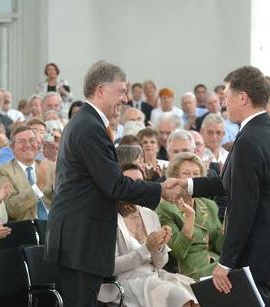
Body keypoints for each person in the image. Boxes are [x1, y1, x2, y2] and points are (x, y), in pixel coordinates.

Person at [45, 61, 181, 307]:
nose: (126, 98)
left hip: (81, 239)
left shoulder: (86, 123)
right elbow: (115, 185)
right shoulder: (89, 127)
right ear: (101, 90)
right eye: (121, 91)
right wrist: (159, 188)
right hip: (81, 241)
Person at [174, 66, 270, 305]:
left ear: (243, 98)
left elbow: (244, 206)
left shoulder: (248, 140)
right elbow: (231, 183)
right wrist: (187, 186)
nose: (224, 104)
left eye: (227, 97)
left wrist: (225, 263)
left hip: (254, 252)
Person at [98, 163, 198, 307]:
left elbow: (160, 263)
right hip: (124, 281)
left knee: (195, 291)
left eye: (140, 182)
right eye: (129, 181)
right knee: (178, 297)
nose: (135, 186)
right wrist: (146, 249)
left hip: (154, 275)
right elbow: (110, 267)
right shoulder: (107, 218)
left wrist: (160, 246)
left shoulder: (149, 214)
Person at [156, 153, 224, 280]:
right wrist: (190, 218)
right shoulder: (165, 208)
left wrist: (226, 229)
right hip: (190, 271)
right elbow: (178, 252)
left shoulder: (209, 205)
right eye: (186, 173)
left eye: (196, 174)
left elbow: (220, 247)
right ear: (175, 177)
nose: (191, 179)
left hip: (215, 264)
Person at [0, 125, 56, 221]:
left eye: (32, 140)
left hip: (55, 225)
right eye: (22, 141)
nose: (28, 145)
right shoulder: (2, 172)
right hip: (27, 229)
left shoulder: (50, 167)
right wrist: (37, 188)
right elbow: (11, 208)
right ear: (12, 147)